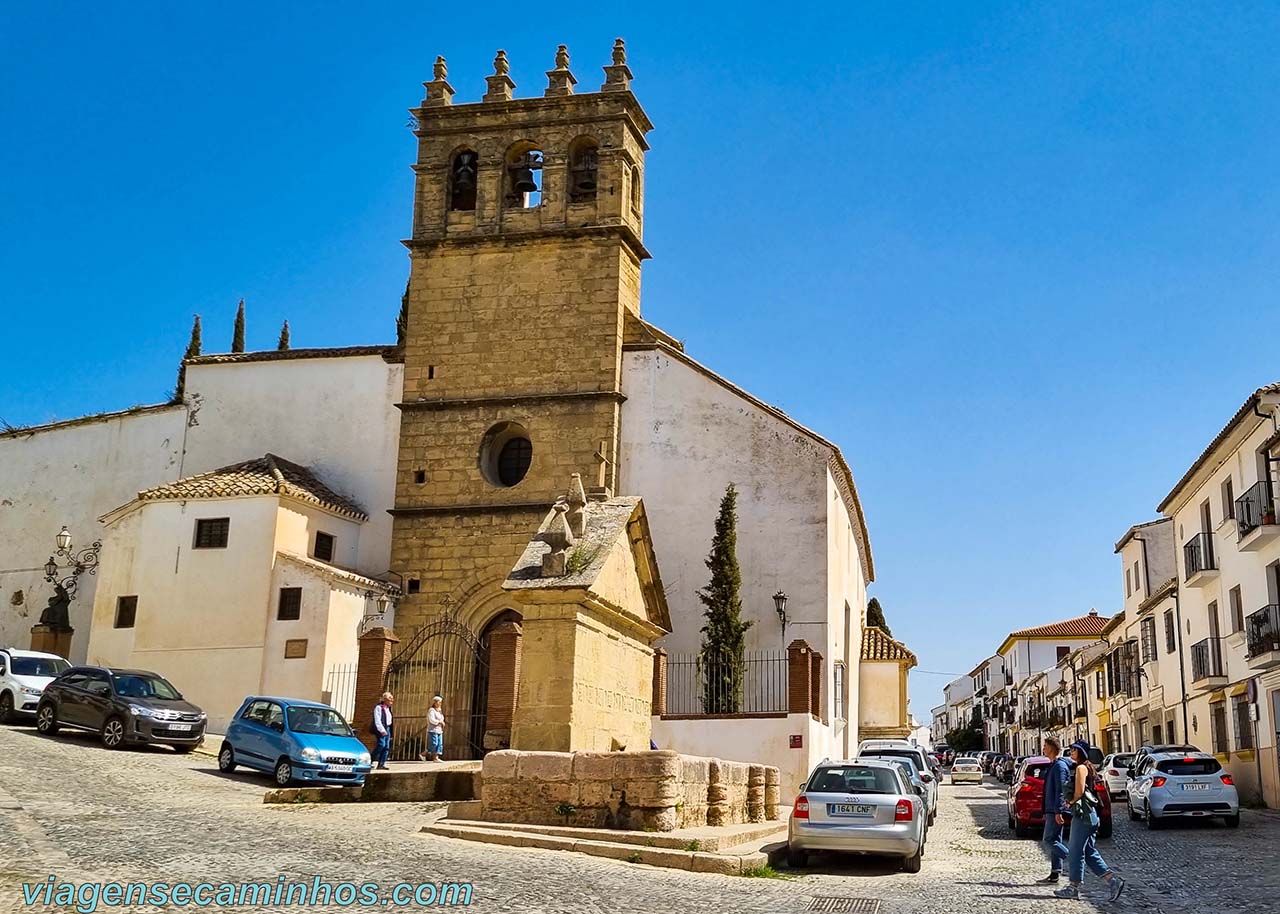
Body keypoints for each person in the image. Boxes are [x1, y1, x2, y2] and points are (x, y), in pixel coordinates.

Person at [1052, 740, 1125, 901]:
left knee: (1075, 851)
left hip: (1083, 816)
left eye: (1074, 750)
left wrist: (1069, 802)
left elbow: (1079, 792)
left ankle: (1073, 887)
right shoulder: (1087, 767)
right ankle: (1113, 881)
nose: (1071, 752)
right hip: (1091, 816)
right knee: (1089, 852)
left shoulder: (1080, 768)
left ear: (1081, 752)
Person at [1035, 737, 1070, 884]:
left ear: (1051, 748)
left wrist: (1058, 811)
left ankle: (1072, 857)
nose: (1043, 748)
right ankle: (1055, 873)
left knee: (1048, 840)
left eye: (1045, 745)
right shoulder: (1053, 765)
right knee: (1056, 839)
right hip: (1051, 808)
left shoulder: (1059, 766)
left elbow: (1061, 790)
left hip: (1054, 810)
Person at [372, 692, 394, 770]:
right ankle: (370, 760)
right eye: (390, 698)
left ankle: (381, 764)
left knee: (386, 747)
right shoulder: (379, 707)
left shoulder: (388, 709)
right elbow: (377, 720)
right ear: (385, 699)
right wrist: (382, 730)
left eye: (392, 698)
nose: (391, 700)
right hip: (382, 728)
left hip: (387, 728)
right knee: (381, 745)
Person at [423, 695, 445, 762]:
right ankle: (424, 753)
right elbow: (431, 720)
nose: (439, 703)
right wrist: (439, 722)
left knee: (439, 744)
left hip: (439, 730)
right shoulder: (431, 710)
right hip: (433, 729)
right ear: (435, 703)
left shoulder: (439, 711)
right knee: (434, 743)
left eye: (440, 702)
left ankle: (436, 757)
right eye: (438, 702)